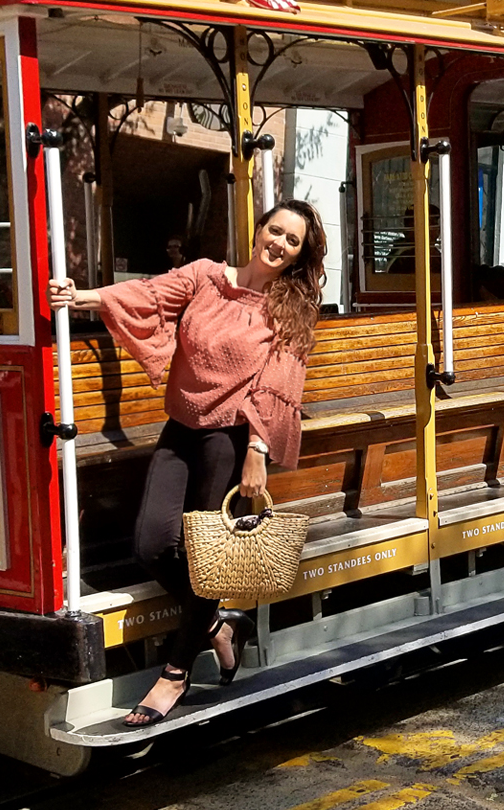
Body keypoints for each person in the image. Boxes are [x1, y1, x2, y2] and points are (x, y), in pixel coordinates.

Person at [47, 200, 327, 727]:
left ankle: (174, 675)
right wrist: (79, 296)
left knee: (207, 560)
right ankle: (219, 625)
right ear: (259, 228)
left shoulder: (292, 308)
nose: (280, 245)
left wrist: (257, 452)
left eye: (293, 242)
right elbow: (148, 294)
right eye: (276, 231)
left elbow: (279, 382)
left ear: (298, 255)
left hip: (231, 438)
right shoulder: (205, 277)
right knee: (151, 543)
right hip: (182, 428)